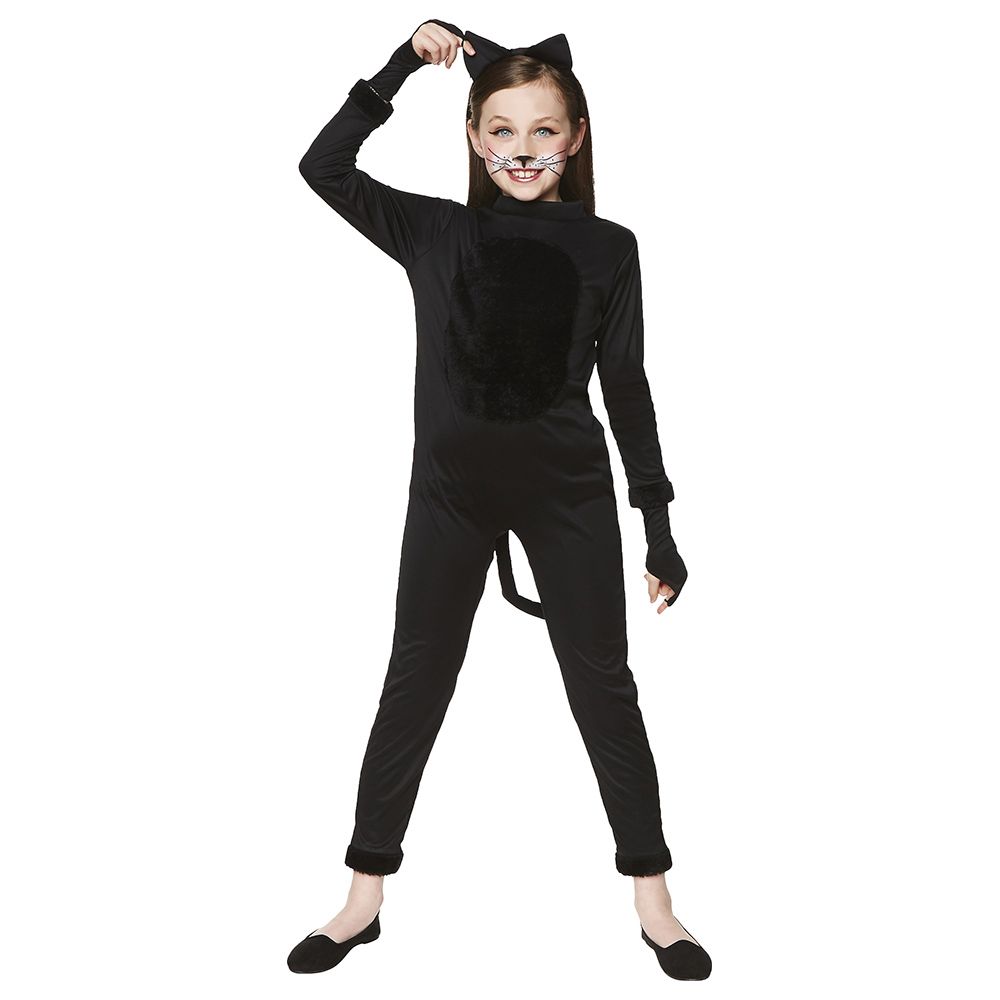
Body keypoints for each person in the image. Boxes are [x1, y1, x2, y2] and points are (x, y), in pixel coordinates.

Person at [286, 20, 711, 981]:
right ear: (475, 138)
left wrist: (657, 523)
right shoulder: (437, 231)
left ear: (577, 136)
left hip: (569, 498)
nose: (524, 151)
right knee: (415, 680)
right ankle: (362, 895)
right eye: (503, 130)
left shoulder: (609, 248)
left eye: (544, 130)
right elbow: (323, 166)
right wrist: (404, 64)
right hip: (450, 497)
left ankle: (655, 900)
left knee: (603, 688)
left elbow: (627, 387)